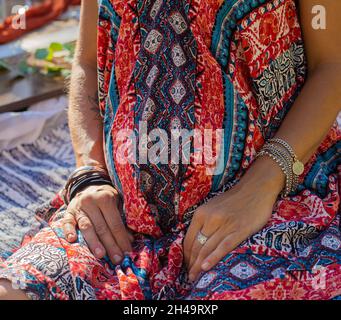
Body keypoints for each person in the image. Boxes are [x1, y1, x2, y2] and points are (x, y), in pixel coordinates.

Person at [0, 0, 340, 300]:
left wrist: (260, 187)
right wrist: (89, 174)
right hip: (121, 221)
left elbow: (332, 64)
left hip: (271, 205)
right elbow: (88, 61)